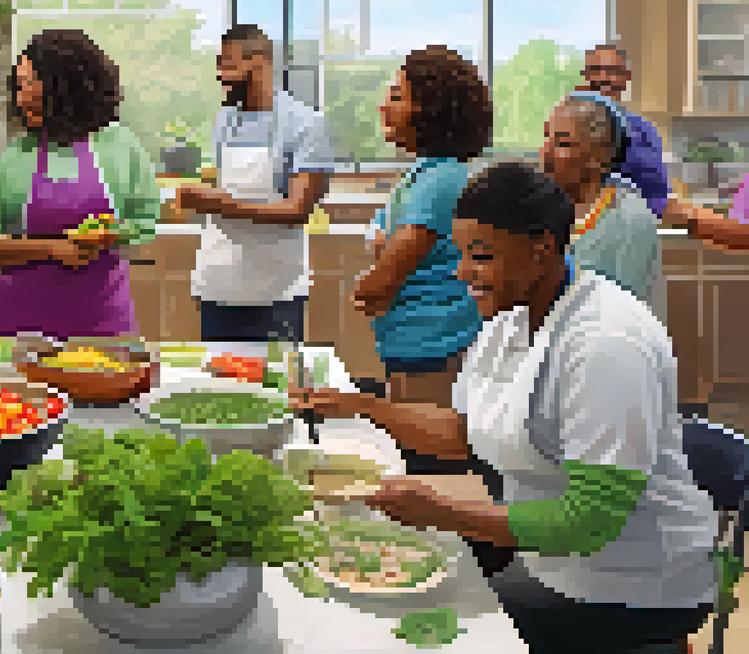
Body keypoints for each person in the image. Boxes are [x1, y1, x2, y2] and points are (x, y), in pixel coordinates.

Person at [292, 162, 717, 654]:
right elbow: (462, 433)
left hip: (631, 584)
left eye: (481, 255)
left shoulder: (605, 343)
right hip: (551, 559)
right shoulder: (510, 319)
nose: (462, 273)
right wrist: (361, 406)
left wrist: (443, 512)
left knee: (428, 629)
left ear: (540, 250)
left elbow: (591, 522)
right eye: (461, 254)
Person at [0, 29, 159, 339]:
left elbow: (145, 220)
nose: (21, 98)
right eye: (18, 87)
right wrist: (52, 248)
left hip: (103, 324)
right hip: (19, 327)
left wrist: (106, 235)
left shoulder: (120, 145)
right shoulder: (17, 155)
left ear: (67, 86)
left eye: (30, 84)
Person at [178, 25, 335, 344]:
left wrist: (212, 202)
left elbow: (297, 211)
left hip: (277, 291)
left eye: (228, 65)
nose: (220, 74)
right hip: (218, 284)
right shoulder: (225, 120)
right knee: (221, 387)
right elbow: (230, 189)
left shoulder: (306, 124)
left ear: (260, 62)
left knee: (274, 387)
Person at [353, 45, 488, 411]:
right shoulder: (423, 175)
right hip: (415, 346)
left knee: (427, 461)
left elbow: (376, 286)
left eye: (396, 96)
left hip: (435, 349)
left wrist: (374, 274)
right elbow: (381, 243)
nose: (383, 106)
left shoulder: (441, 180)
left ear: (431, 110)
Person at [541, 93, 664, 319]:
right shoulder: (542, 209)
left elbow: (628, 314)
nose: (545, 153)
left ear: (599, 156)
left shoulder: (629, 219)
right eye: (546, 138)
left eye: (563, 143)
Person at [579, 44, 671, 219]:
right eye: (596, 70)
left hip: (630, 228)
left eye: (613, 71)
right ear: (585, 76)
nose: (604, 78)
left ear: (626, 77)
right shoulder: (566, 125)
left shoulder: (645, 132)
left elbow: (658, 195)